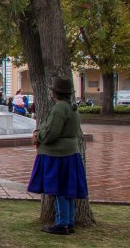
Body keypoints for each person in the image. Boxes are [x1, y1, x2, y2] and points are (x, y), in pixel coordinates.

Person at [27, 77, 87, 235]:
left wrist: (38, 137)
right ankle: (69, 221)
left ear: (55, 93)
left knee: (59, 189)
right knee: (67, 190)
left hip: (58, 155)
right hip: (69, 153)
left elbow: (52, 132)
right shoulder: (71, 108)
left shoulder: (60, 108)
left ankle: (62, 223)